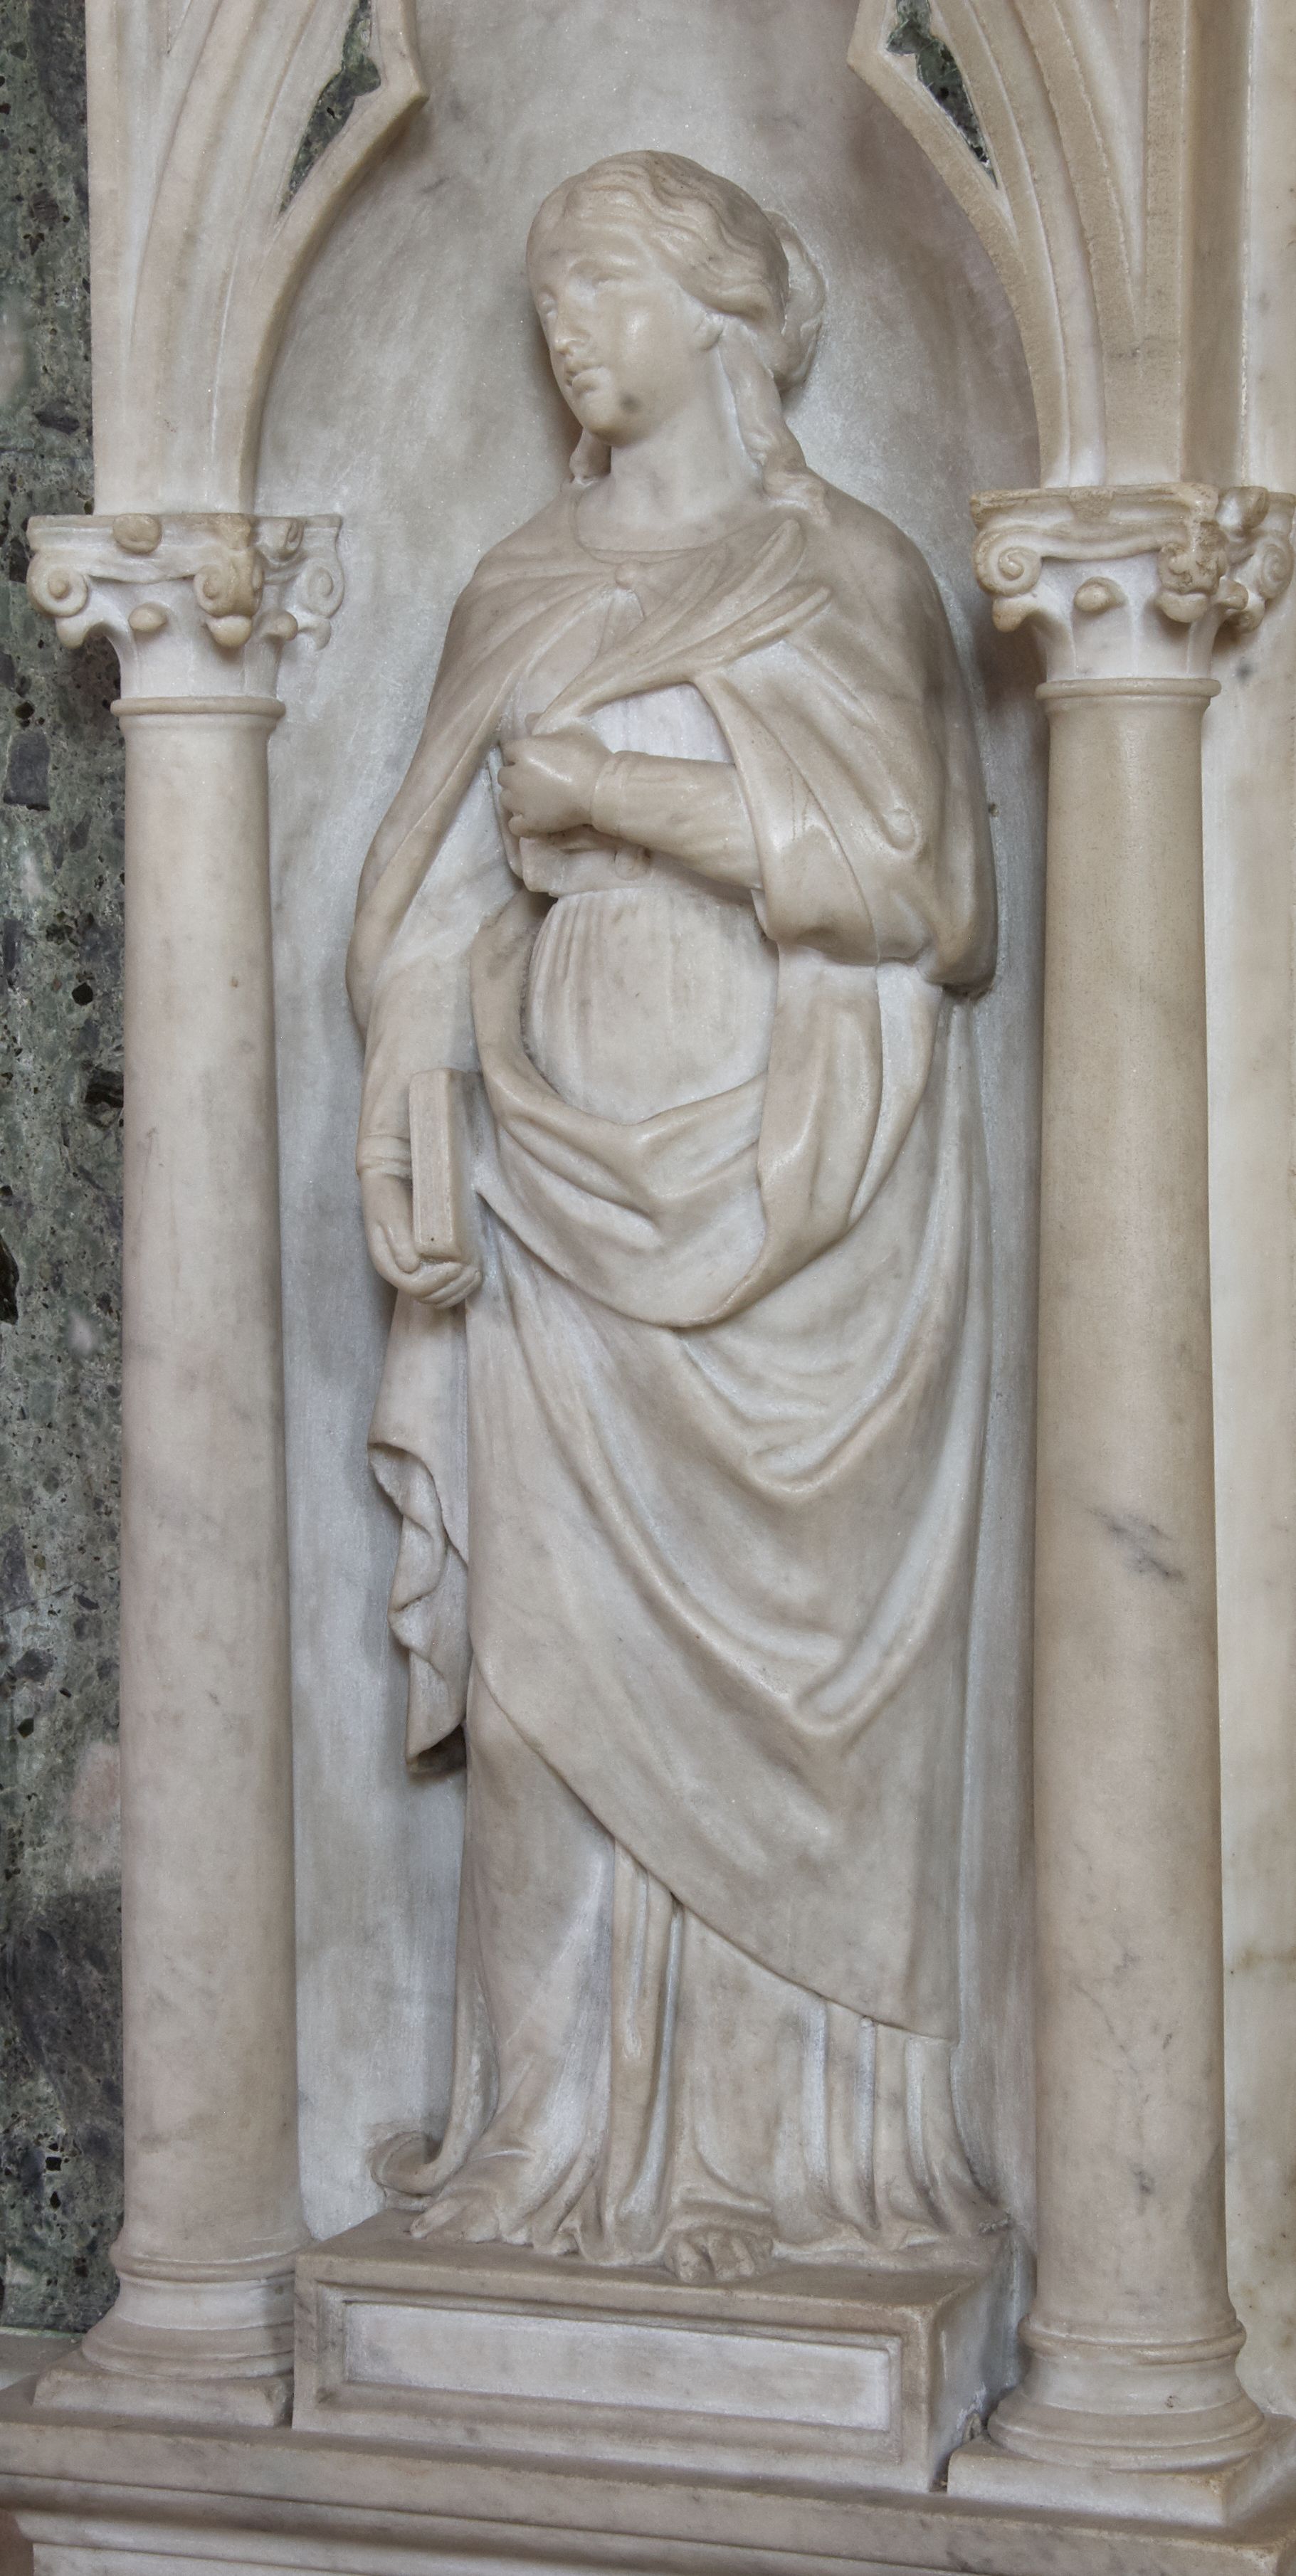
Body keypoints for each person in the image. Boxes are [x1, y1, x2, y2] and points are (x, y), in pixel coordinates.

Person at [349, 150, 999, 2282]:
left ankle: (767, 2173)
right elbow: (429, 894)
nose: (567, 321)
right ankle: (539, 2151)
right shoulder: (521, 583)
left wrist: (622, 794)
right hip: (556, 1187)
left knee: (783, 1694)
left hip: (801, 1192)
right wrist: (410, 1093)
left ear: (725, 322)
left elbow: (931, 890)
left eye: (607, 281)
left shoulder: (847, 572)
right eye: (549, 288)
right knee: (548, 1680)